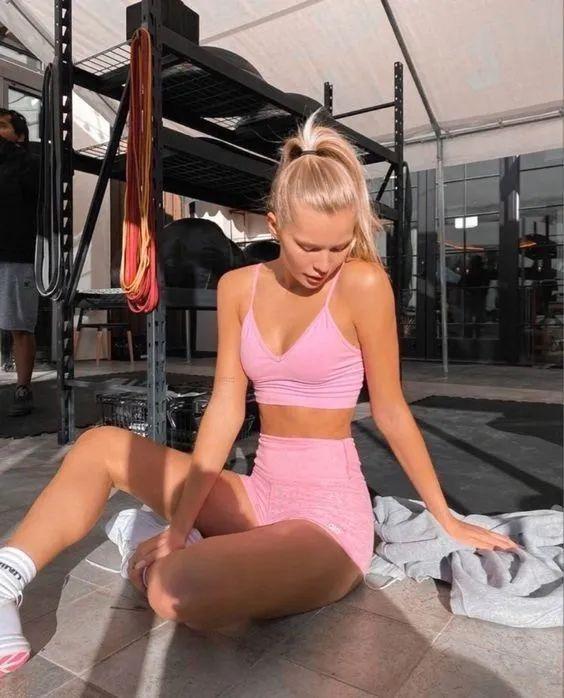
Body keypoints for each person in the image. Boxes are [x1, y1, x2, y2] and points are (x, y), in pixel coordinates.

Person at [0, 111, 519, 676]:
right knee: (100, 446)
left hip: (327, 522)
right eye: (309, 246)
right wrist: (179, 526)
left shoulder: (363, 284)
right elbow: (226, 407)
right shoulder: (238, 287)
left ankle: (175, 549)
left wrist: (446, 517)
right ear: (275, 224)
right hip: (260, 494)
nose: (325, 264)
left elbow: (391, 411)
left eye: (339, 246)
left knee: (175, 590)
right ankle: (6, 581)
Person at [0, 108, 40, 417]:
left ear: (20, 135)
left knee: (20, 326)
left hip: (16, 255)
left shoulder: (29, 163)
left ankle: (23, 388)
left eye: (2, 126)